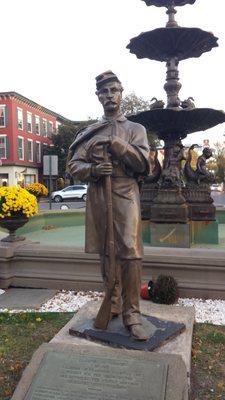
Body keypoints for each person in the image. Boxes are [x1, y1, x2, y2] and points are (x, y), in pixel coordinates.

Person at [68, 71, 150, 340]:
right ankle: (112, 303)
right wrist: (93, 169)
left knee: (131, 250)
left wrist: (117, 145)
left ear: (121, 92)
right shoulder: (89, 132)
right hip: (99, 192)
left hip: (126, 190)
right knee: (106, 252)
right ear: (98, 96)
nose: (109, 95)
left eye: (113, 90)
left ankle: (132, 313)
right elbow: (73, 165)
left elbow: (143, 165)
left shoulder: (135, 130)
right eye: (104, 92)